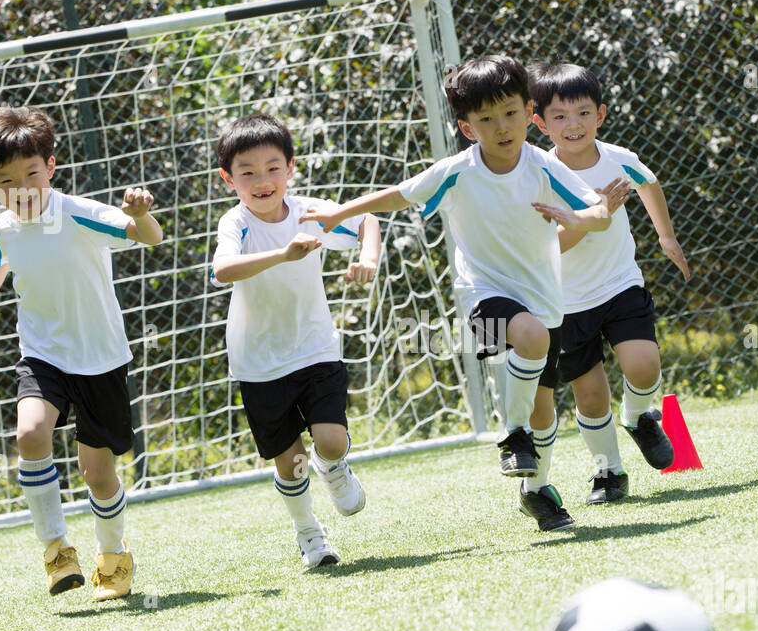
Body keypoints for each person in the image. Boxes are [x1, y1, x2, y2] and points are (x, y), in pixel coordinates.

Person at [302, 55, 628, 531]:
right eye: (487, 119)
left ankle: (536, 491)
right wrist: (338, 214)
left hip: (543, 296)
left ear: (526, 110)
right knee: (531, 341)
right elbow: (400, 194)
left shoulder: (542, 165)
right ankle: (510, 434)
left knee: (543, 408)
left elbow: (598, 210)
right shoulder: (457, 170)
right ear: (468, 127)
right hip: (483, 294)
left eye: (511, 113)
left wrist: (584, 217)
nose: (502, 127)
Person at [0, 105, 163, 599]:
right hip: (43, 355)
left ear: (50, 167)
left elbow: (150, 238)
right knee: (30, 434)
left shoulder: (81, 214)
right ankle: (56, 552)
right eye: (8, 181)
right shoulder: (5, 227)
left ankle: (113, 556)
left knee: (98, 475)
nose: (23, 188)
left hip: (101, 358)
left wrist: (141, 215)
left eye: (32, 174)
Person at [210, 114, 380, 568]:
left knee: (330, 440)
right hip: (259, 362)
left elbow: (366, 220)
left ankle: (336, 466)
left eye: (272, 167)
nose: (262, 180)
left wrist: (367, 257)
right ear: (228, 179)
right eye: (247, 172)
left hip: (315, 348)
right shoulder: (235, 223)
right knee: (290, 463)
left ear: (291, 168)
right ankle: (310, 535)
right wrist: (282, 254)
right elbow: (222, 269)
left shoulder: (310, 212)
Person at [529, 62, 691, 503]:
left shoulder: (618, 159)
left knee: (644, 366)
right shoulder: (538, 175)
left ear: (600, 115)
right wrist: (596, 215)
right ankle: (609, 471)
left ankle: (639, 416)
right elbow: (549, 248)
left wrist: (666, 235)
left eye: (583, 112)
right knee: (592, 398)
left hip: (621, 284)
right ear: (539, 122)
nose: (573, 124)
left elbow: (649, 184)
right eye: (559, 116)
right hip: (565, 303)